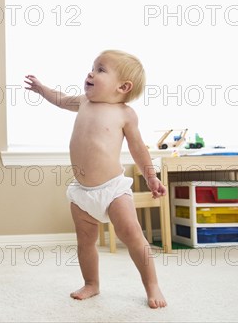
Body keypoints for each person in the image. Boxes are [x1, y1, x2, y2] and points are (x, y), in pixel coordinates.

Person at [24, 50, 167, 308]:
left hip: (113, 189)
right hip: (81, 192)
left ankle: (152, 285)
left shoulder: (125, 114)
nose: (91, 73)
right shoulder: (82, 102)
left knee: (133, 235)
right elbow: (59, 99)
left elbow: (138, 149)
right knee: (85, 241)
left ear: (123, 87)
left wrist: (151, 177)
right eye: (92, 67)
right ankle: (92, 283)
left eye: (101, 70)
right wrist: (41, 88)